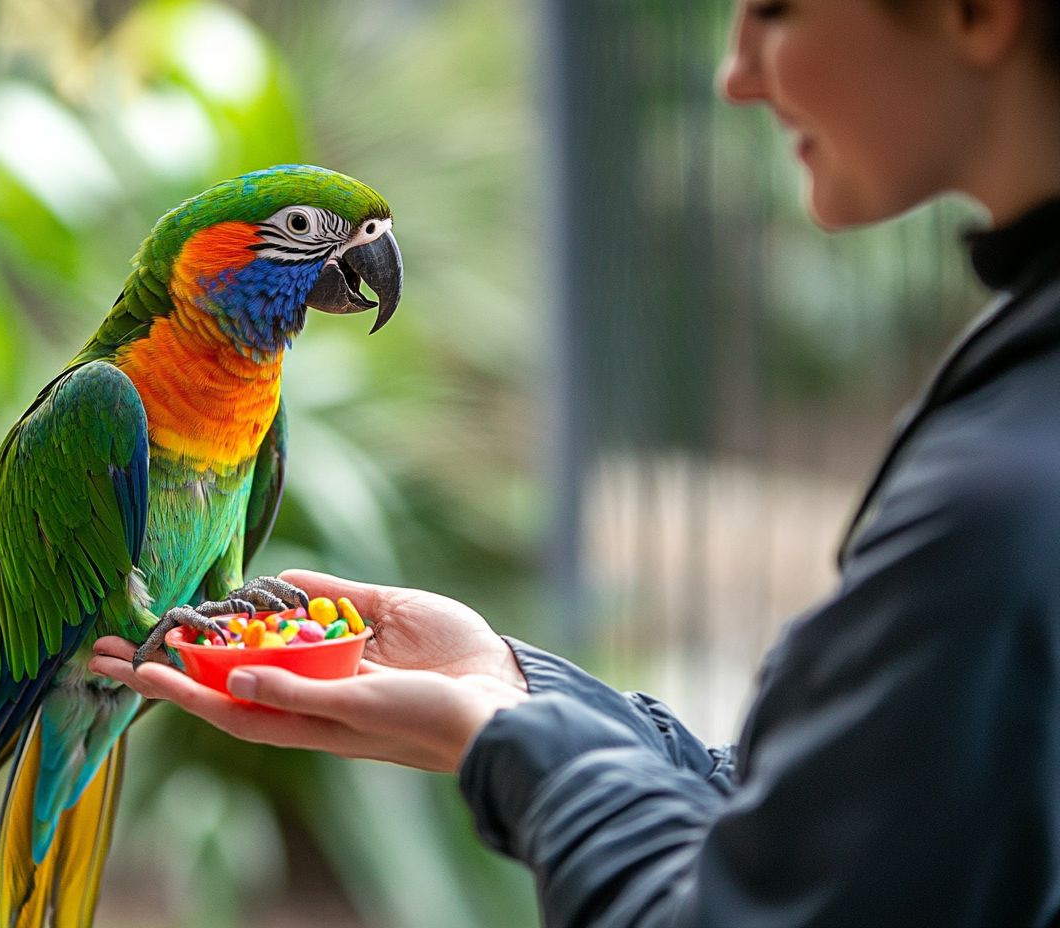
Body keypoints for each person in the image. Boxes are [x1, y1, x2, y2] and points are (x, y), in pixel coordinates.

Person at [90, 0, 1060, 923]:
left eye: (774, 8)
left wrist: (502, 740)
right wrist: (518, 688)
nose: (732, 76)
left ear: (977, 12)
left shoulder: (1002, 497)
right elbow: (834, 822)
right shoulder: (1013, 376)